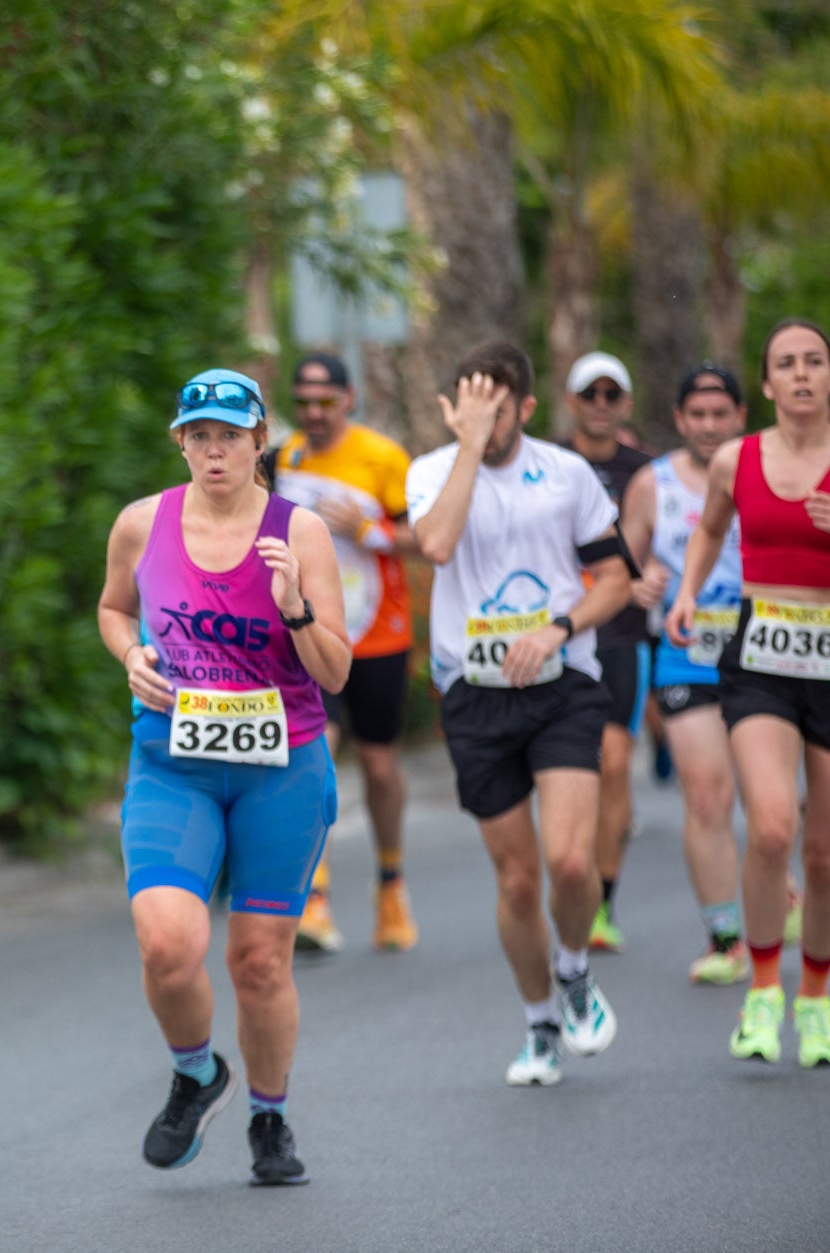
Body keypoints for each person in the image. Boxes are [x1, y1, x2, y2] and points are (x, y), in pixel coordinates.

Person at [99, 369, 350, 1186]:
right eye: (200, 435)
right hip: (174, 764)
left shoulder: (299, 533)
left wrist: (295, 609)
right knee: (169, 944)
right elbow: (113, 608)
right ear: (180, 441)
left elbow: (337, 672)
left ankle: (269, 1118)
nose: (215, 451)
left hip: (281, 768)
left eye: (232, 436)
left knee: (259, 962)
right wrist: (132, 653)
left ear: (258, 442)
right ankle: (197, 1071)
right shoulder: (141, 523)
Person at [407, 341, 627, 1087]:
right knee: (518, 881)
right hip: (473, 693)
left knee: (569, 860)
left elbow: (617, 579)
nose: (488, 420)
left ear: (527, 408)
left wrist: (558, 627)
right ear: (452, 408)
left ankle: (573, 969)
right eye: (473, 406)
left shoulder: (565, 473)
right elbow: (434, 543)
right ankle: (538, 1023)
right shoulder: (432, 471)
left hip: (563, 681)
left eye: (500, 408)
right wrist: (468, 446)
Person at [665, 318, 830, 1067]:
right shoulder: (738, 457)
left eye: (814, 362)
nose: (801, 375)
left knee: (823, 852)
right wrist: (687, 594)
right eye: (786, 364)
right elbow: (708, 528)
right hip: (760, 651)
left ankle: (816, 999)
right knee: (769, 825)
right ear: (765, 384)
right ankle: (764, 990)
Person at [273, 352, 420, 952]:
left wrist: (370, 533)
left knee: (380, 767)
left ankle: (391, 885)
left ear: (349, 398)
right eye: (303, 401)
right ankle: (316, 898)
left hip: (378, 635)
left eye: (325, 401)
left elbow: (425, 540)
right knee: (316, 752)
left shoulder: (384, 458)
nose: (313, 413)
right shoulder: (282, 458)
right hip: (310, 633)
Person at [621, 364, 750, 984]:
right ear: (678, 420)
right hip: (685, 653)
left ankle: (784, 889)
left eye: (719, 414)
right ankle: (725, 937)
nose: (707, 426)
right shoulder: (653, 484)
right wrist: (638, 583)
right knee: (707, 794)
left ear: (740, 417)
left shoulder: (766, 470)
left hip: (770, 652)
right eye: (696, 415)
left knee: (783, 805)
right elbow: (620, 563)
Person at [560, 352, 654, 953]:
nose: (600, 403)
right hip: (560, 632)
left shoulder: (647, 471)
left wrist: (656, 575)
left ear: (625, 404)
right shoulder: (548, 465)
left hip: (622, 635)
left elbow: (679, 536)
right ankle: (568, 877)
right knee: (572, 771)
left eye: (610, 394)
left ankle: (601, 905)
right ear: (571, 401)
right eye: (589, 393)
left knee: (615, 765)